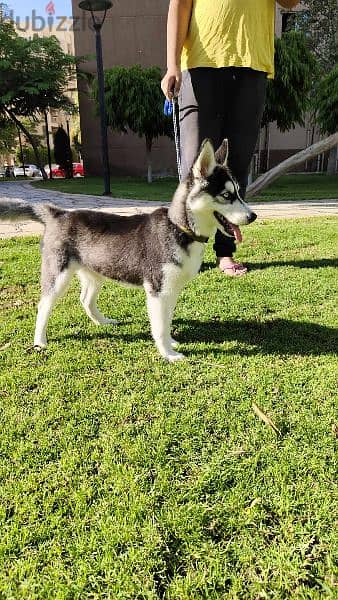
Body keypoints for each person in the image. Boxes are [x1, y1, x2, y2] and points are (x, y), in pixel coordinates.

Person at [161, 0, 299, 276]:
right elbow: (180, 5)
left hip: (252, 64)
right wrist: (172, 64)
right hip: (201, 64)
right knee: (195, 169)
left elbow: (291, 2)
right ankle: (185, 250)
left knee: (236, 166)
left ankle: (225, 252)